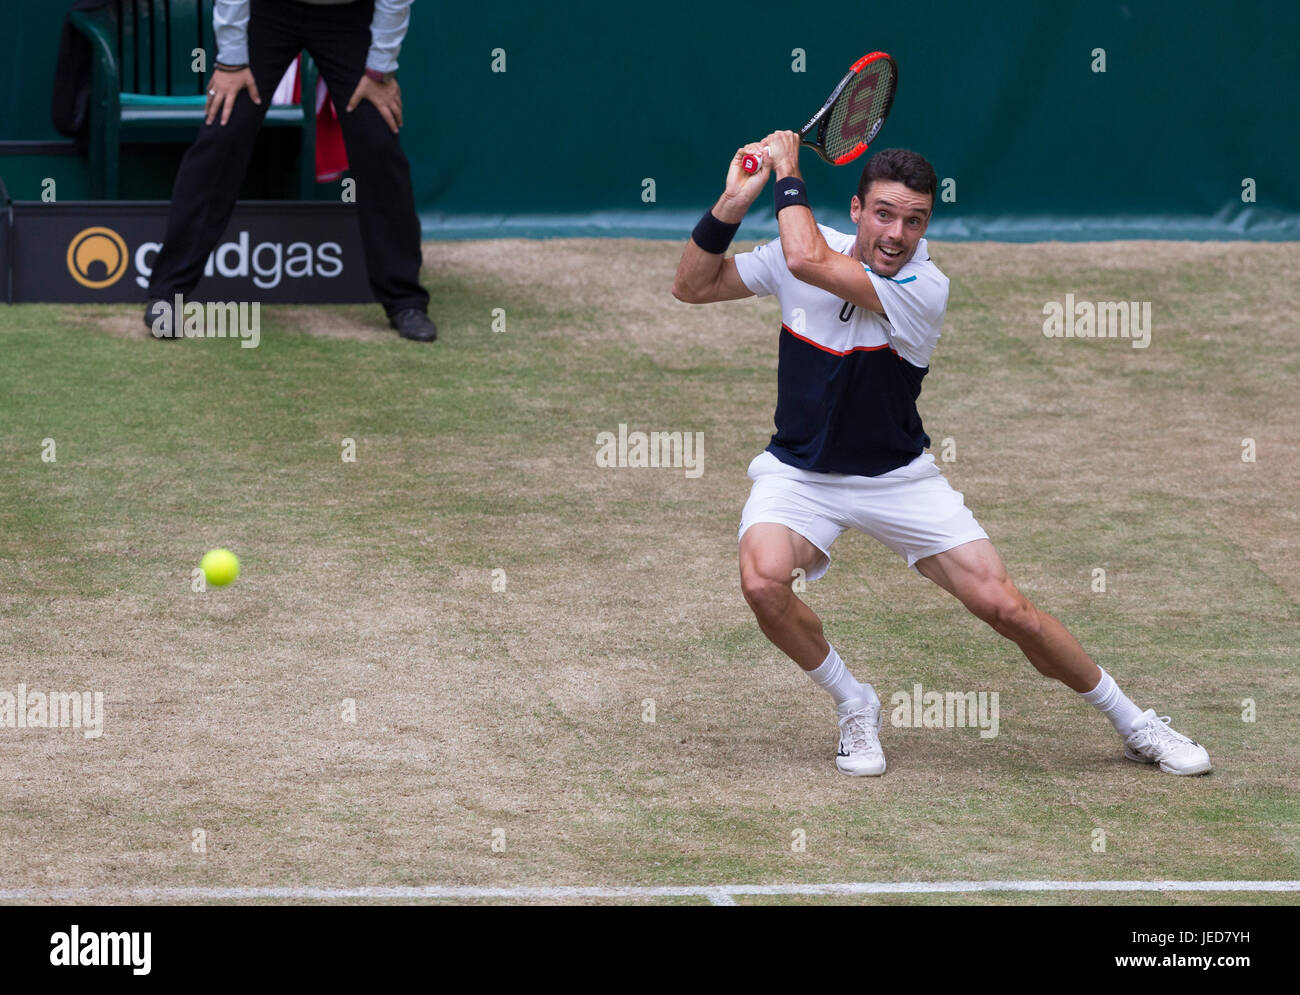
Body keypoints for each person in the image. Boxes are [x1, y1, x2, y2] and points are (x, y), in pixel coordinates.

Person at [671, 132, 1211, 777]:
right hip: (801, 473)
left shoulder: (922, 285)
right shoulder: (806, 248)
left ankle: (1136, 724)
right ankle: (854, 702)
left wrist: (788, 172)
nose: (898, 233)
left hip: (898, 479)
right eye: (885, 213)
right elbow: (693, 286)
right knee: (762, 581)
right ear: (856, 209)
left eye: (915, 219)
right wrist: (732, 203)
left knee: (1008, 610)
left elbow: (807, 260)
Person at [145, 0, 436, 342]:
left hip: (350, 17)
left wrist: (379, 70)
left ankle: (405, 300)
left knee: (378, 142)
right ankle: (168, 294)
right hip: (268, 13)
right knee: (224, 132)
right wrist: (231, 59)